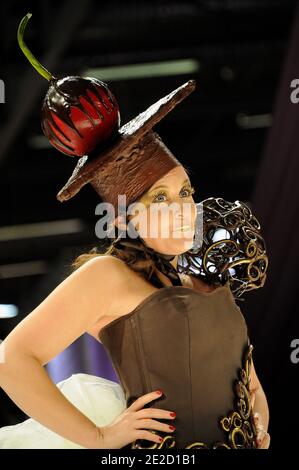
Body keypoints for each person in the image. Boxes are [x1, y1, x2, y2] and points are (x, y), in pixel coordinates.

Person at [0, 22, 271, 446]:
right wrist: (100, 437)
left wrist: (259, 422)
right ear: (125, 219)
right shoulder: (107, 276)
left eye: (185, 192)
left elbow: (249, 387)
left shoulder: (204, 278)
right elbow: (10, 361)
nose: (183, 208)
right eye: (160, 199)